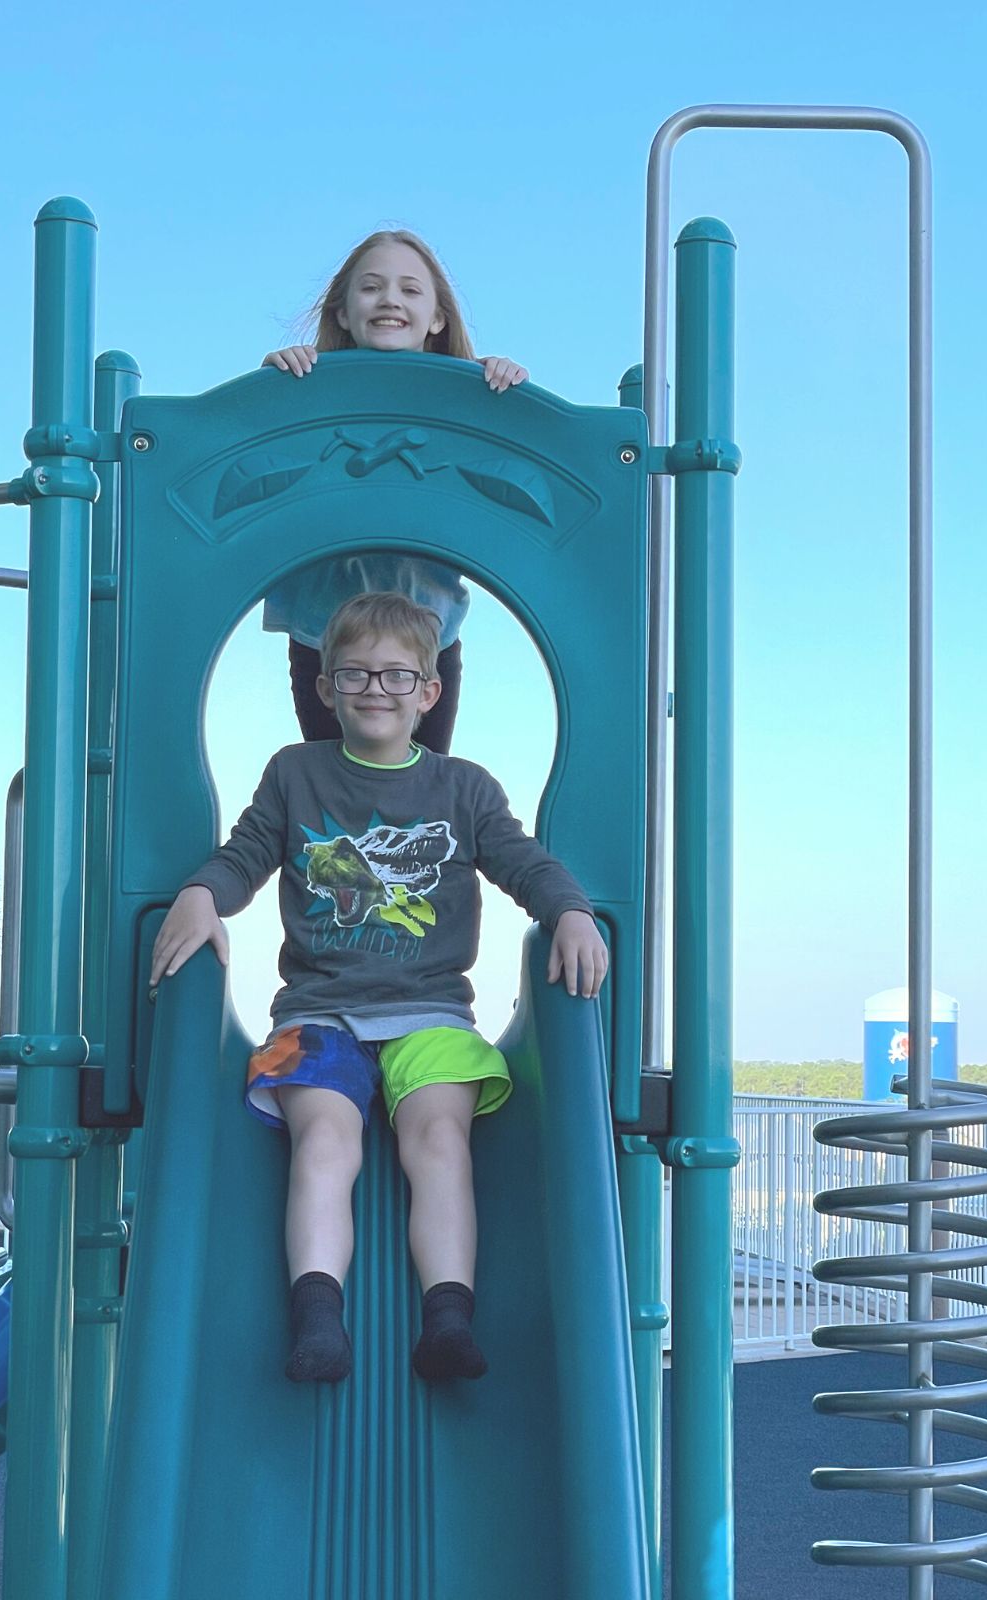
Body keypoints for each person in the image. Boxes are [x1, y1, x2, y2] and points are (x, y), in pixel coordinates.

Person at [149, 592, 607, 1385]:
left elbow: (521, 860)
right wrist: (202, 894)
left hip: (430, 1011)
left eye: (398, 677)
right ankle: (319, 1320)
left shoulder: (461, 789)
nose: (375, 689)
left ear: (429, 692)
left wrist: (568, 909)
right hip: (317, 1014)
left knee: (438, 1140)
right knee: (324, 1139)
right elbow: (247, 852)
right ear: (325, 687)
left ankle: (448, 1319)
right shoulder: (297, 774)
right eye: (355, 673)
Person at [259, 229, 528, 754]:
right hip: (324, 636)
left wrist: (501, 384)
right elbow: (263, 452)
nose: (389, 300)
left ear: (437, 318)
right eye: (371, 288)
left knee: (423, 780)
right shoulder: (309, 392)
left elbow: (498, 475)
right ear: (341, 312)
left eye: (410, 290)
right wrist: (275, 382)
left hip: (427, 634)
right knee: (333, 782)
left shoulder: (460, 406)